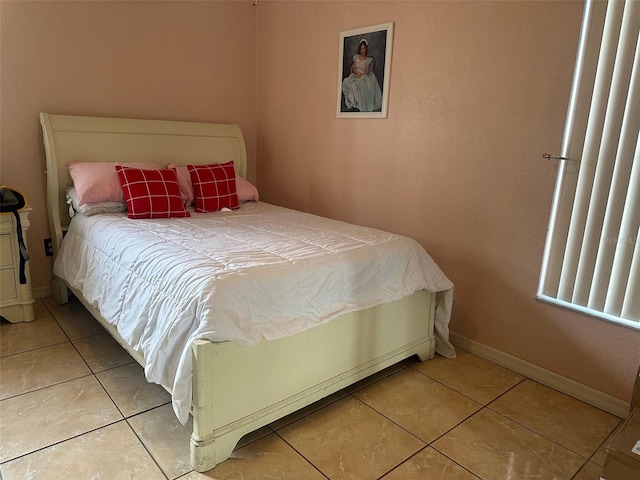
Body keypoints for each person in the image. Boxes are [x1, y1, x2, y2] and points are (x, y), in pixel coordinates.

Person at [341, 39, 383, 112]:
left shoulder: (368, 59)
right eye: (361, 49)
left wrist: (361, 75)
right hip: (356, 74)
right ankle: (354, 102)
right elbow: (354, 68)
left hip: (364, 75)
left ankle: (363, 104)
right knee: (347, 82)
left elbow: (366, 72)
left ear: (366, 49)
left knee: (363, 83)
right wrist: (357, 73)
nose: (362, 51)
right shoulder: (356, 57)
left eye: (363, 48)